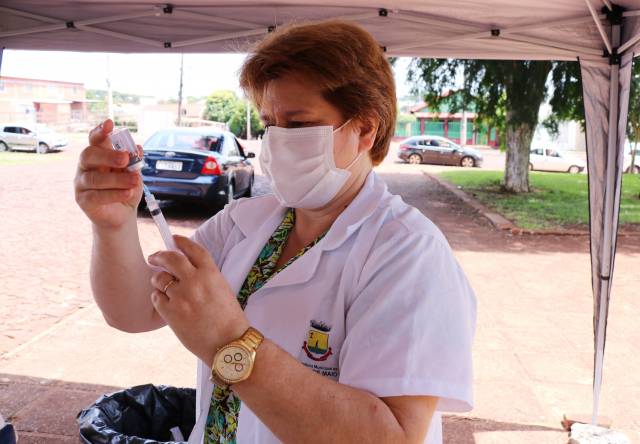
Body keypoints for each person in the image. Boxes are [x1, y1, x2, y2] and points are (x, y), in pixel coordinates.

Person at [74, 19, 476, 444]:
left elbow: (392, 437)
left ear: (365, 128)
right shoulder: (244, 223)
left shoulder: (407, 254)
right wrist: (113, 224)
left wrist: (229, 341)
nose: (278, 142)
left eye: (299, 125)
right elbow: (134, 311)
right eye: (270, 124)